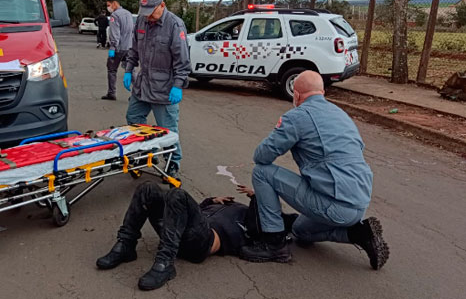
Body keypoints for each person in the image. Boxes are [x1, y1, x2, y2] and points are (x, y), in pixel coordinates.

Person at [239, 70, 389, 270]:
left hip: (333, 204)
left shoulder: (297, 117)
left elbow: (262, 156)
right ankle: (359, 234)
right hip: (358, 205)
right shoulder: (340, 114)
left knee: (262, 172)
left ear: (297, 95)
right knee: (300, 231)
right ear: (323, 92)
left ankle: (273, 243)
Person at [96, 181, 298, 291]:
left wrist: (256, 198)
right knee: (147, 189)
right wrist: (211, 200)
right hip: (181, 230)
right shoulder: (224, 204)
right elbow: (185, 211)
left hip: (202, 242)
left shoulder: (252, 220)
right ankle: (126, 245)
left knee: (177, 194)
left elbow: (257, 229)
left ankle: (165, 263)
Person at [124, 0, 190, 178]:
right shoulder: (141, 21)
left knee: (169, 131)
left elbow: (182, 60)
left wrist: (178, 85)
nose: (149, 16)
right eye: (145, 12)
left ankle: (173, 164)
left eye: (152, 12)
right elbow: (134, 48)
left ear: (162, 5)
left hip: (165, 89)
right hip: (142, 84)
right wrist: (129, 70)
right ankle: (146, 154)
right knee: (134, 118)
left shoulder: (175, 25)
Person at [101, 0, 134, 101]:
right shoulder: (128, 13)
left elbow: (115, 33)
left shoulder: (115, 16)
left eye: (109, 5)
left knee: (112, 69)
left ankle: (111, 93)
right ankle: (137, 93)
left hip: (119, 48)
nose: (108, 8)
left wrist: (112, 47)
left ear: (114, 4)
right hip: (129, 46)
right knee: (131, 70)